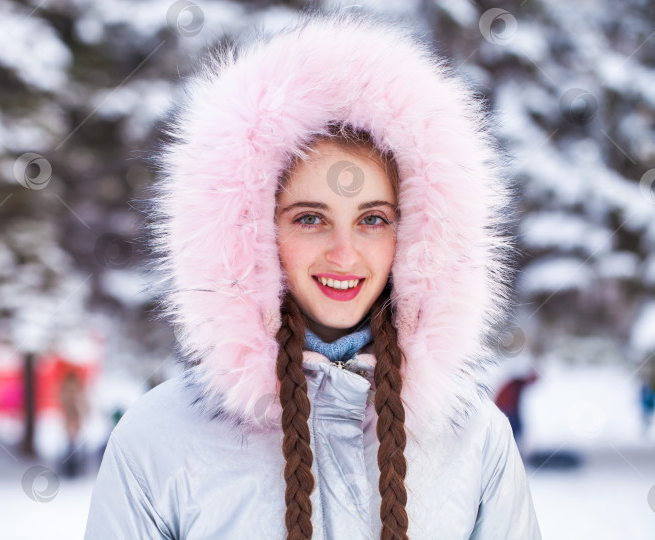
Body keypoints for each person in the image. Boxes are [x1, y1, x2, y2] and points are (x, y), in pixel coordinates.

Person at [85, 7, 541, 540]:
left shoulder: (473, 438)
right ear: (248, 232)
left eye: (372, 219)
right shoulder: (159, 439)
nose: (344, 254)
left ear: (416, 234)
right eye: (309, 218)